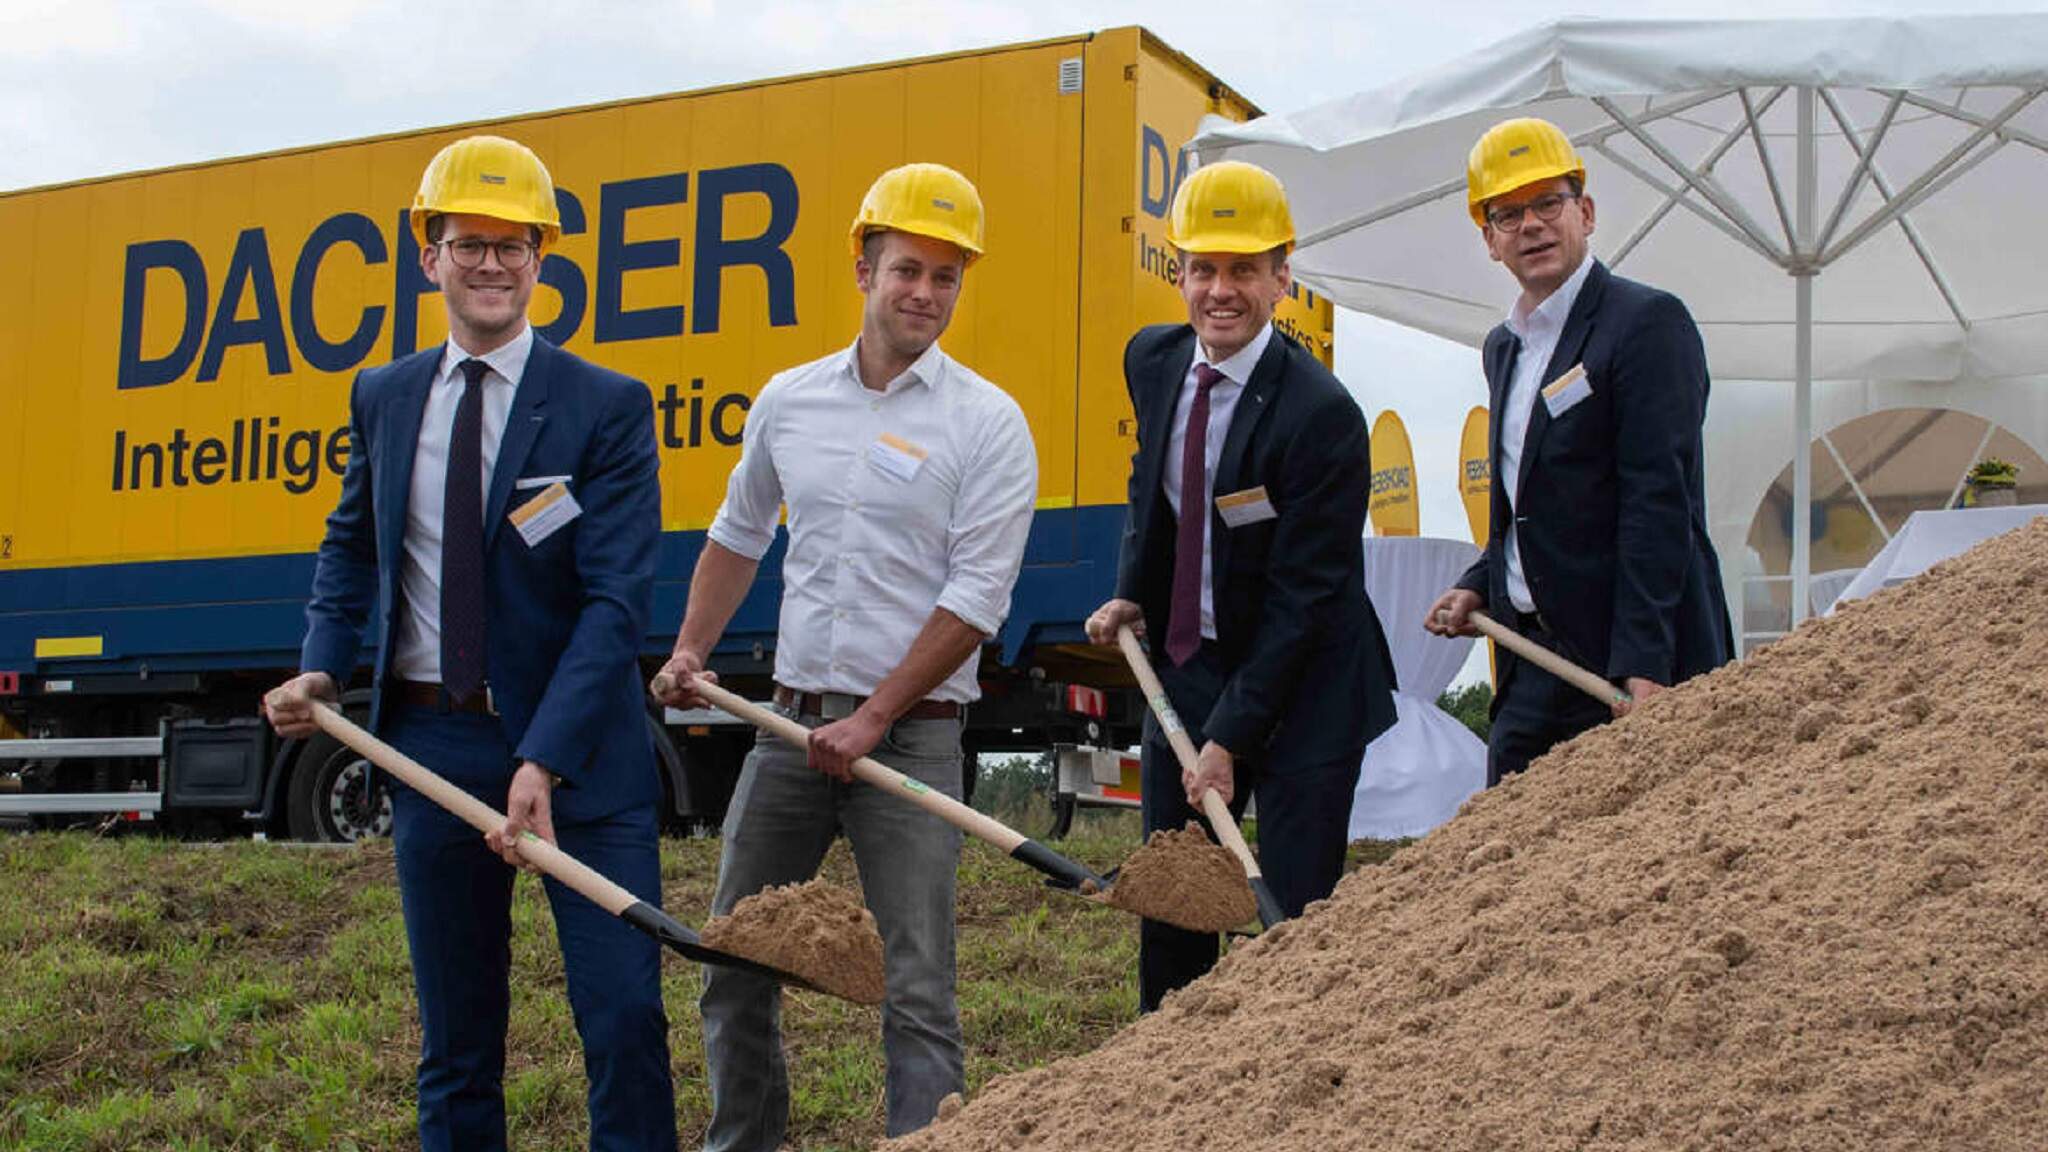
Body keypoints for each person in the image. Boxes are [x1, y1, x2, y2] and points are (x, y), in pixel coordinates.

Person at [261, 135, 674, 1152]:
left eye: (513, 244)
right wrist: (323, 656)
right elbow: (352, 545)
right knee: (456, 1040)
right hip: (431, 746)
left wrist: (543, 756)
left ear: (542, 259)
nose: (490, 263)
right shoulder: (385, 396)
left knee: (624, 1017)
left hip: (580, 760)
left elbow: (615, 604)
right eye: (467, 242)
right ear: (427, 255)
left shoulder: (606, 408)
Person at [651, 162, 1036, 1149]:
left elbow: (974, 599)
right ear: (862, 267)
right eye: (908, 268)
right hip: (787, 727)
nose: (924, 293)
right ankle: (746, 1141)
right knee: (731, 953)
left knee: (914, 986)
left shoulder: (987, 424)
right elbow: (739, 537)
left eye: (946, 277)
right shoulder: (789, 401)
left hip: (909, 743)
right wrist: (692, 648)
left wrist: (872, 718)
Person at [1084, 161, 1397, 1013]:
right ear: (1179, 271)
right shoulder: (1151, 361)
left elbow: (1306, 599)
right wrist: (1132, 591)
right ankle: (1169, 1084)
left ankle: (1289, 1079)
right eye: (1204, 269)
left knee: (1291, 919)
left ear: (1282, 276)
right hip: (1189, 665)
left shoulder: (1321, 415)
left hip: (1308, 688)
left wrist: (1229, 739)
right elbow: (1152, 484)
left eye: (1245, 271)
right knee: (1174, 901)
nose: (1221, 291)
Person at [1423, 117, 1734, 786]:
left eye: (1547, 203)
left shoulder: (1646, 324)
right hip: (1531, 664)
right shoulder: (1502, 348)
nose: (1530, 225)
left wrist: (1647, 669)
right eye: (1508, 214)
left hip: (1629, 667)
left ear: (1584, 212)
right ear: (1489, 240)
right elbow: (1529, 501)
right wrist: (1479, 584)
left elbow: (1659, 504)